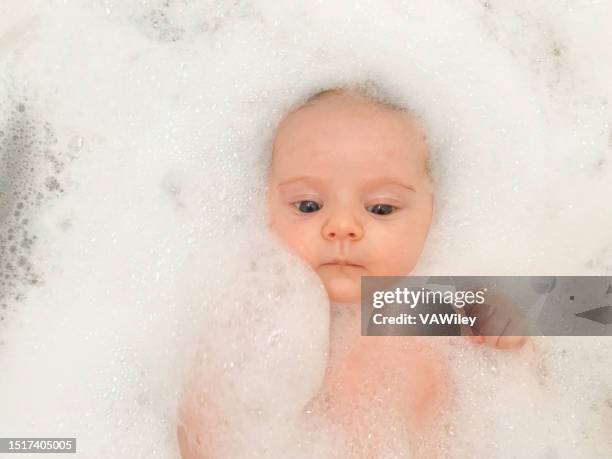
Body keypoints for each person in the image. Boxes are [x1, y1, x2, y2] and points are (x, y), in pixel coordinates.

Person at [177, 82, 532, 458]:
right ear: (263, 208)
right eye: (308, 205)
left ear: (434, 214)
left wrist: (509, 324)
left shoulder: (433, 302)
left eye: (380, 208)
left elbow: (592, 314)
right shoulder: (254, 316)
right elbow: (202, 430)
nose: (342, 225)